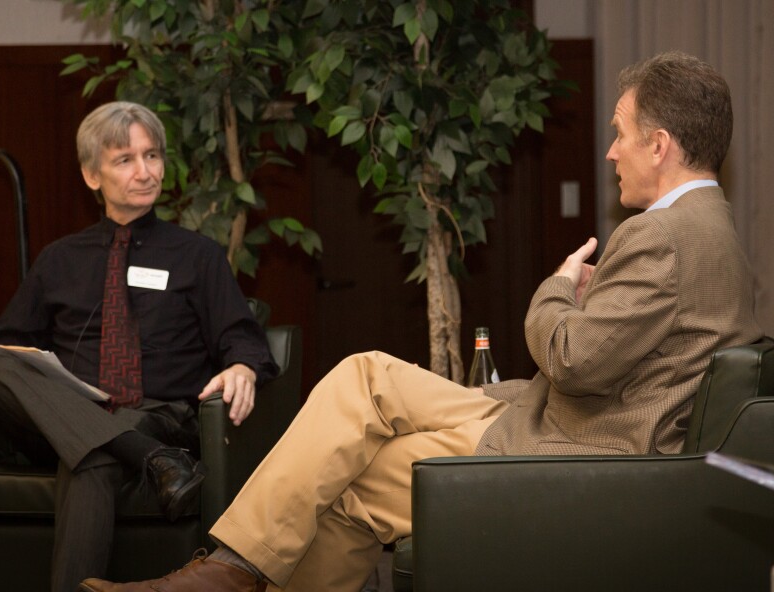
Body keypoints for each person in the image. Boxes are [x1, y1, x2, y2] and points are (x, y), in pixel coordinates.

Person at [79, 51, 763, 592]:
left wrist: (557, 289)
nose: (611, 150)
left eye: (620, 132)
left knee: (358, 473)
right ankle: (229, 570)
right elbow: (628, 352)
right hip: (564, 417)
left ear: (661, 145)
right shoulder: (712, 230)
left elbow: (572, 357)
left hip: (581, 445)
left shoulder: (661, 236)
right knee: (364, 379)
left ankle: (227, 571)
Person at [0, 102, 279, 592]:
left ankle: (138, 447)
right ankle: (153, 458)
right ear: (91, 175)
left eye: (153, 156)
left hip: (157, 412)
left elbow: (242, 336)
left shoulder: (198, 256)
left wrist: (243, 366)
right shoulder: (60, 259)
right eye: (125, 159)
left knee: (90, 456)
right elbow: (6, 342)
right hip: (68, 410)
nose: (145, 172)